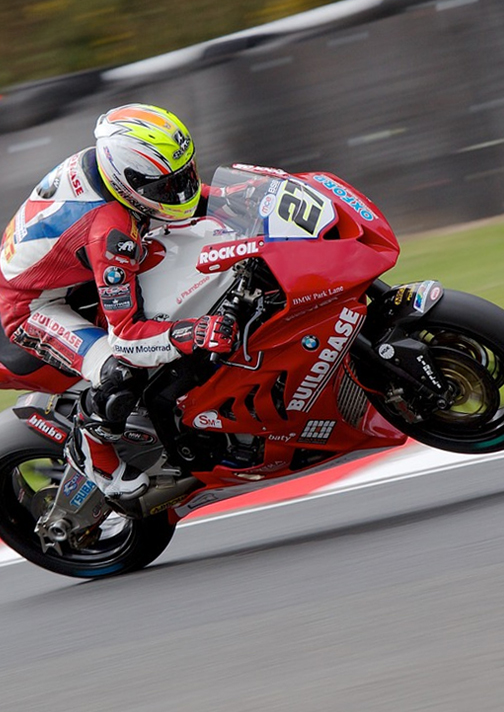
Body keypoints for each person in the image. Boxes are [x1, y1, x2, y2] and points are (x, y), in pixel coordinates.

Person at [0, 103, 238, 501]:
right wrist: (193, 333)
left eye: (185, 177)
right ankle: (94, 453)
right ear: (128, 181)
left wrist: (232, 197)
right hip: (31, 307)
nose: (180, 192)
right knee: (119, 369)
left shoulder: (111, 167)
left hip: (64, 273)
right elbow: (128, 338)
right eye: (166, 187)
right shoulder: (111, 232)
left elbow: (188, 202)